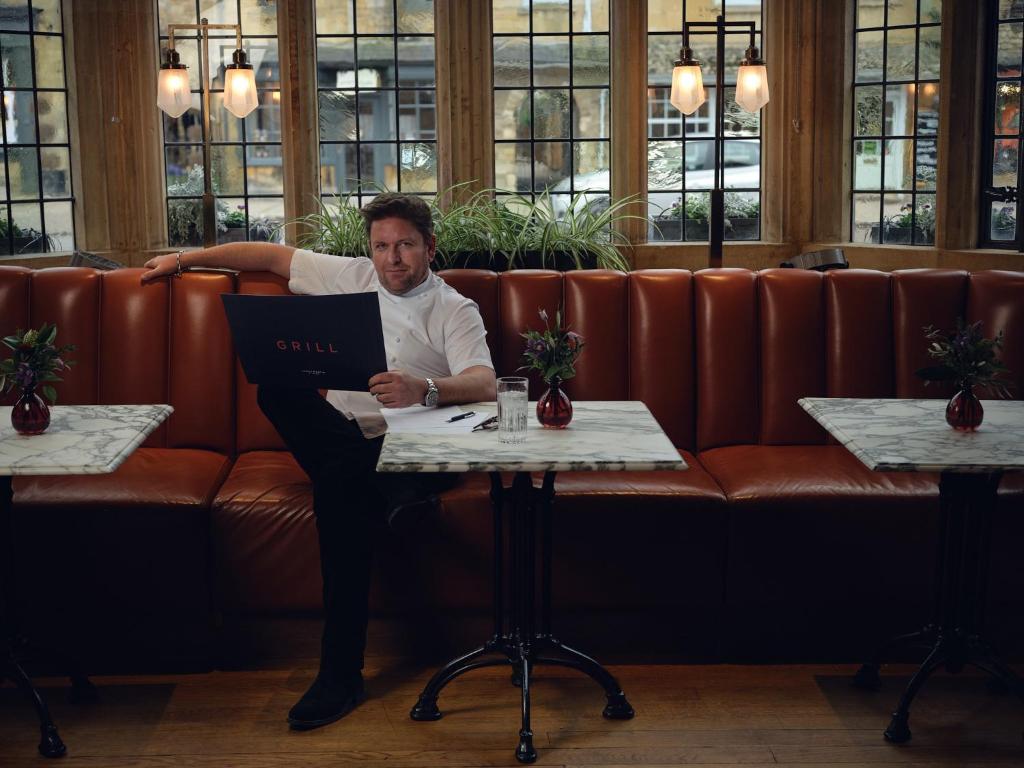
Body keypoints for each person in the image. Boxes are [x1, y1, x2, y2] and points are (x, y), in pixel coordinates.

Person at [141, 193, 496, 730]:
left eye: (405, 245)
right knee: (277, 387)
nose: (392, 258)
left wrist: (423, 388)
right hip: (345, 437)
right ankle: (393, 497)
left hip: (413, 444)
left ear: (429, 247)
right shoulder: (350, 276)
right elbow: (269, 256)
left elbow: (484, 382)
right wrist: (182, 260)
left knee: (340, 488)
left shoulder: (453, 307)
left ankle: (340, 674)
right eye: (381, 246)